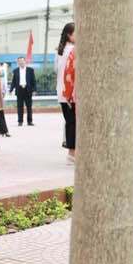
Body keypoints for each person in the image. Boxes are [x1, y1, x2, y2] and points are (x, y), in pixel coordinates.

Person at [57, 23, 77, 161]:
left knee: (70, 122)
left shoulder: (60, 50)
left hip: (62, 91)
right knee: (72, 123)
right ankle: (72, 152)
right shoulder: (72, 50)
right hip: (69, 92)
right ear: (69, 35)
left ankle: (72, 151)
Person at [9, 56, 36, 126]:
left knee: (29, 107)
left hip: (28, 90)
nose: (21, 62)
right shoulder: (15, 71)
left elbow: (33, 81)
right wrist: (11, 89)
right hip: (19, 90)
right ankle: (20, 121)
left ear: (25, 61)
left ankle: (30, 121)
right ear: (18, 63)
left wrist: (34, 90)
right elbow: (14, 81)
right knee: (20, 107)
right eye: (19, 61)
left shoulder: (30, 70)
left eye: (22, 61)